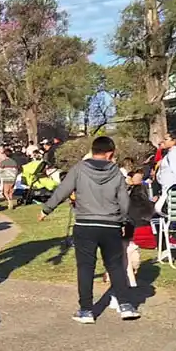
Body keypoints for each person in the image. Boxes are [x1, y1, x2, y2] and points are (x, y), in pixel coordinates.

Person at [38, 136, 140, 323]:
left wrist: (46, 209)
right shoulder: (116, 173)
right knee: (115, 265)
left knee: (85, 267)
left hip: (85, 224)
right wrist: (124, 220)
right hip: (110, 225)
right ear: (110, 153)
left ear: (93, 151)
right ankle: (125, 305)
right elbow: (124, 200)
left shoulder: (79, 170)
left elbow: (63, 190)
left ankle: (86, 310)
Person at [0, 146, 20, 210]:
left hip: (6, 178)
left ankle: (9, 201)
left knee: (5, 192)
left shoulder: (3, 162)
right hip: (13, 178)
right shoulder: (14, 162)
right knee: (10, 191)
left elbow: (0, 171)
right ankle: (10, 203)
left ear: (5, 154)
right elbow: (16, 171)